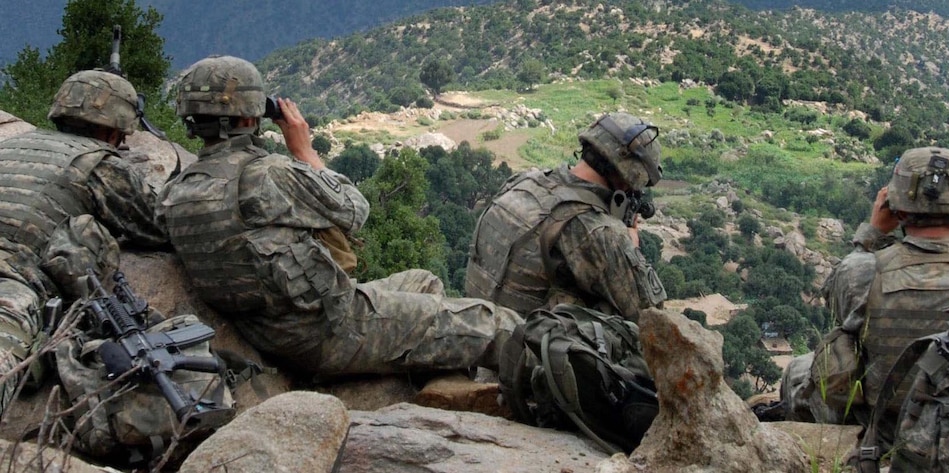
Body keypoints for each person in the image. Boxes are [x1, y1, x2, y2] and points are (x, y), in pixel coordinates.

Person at [158, 56, 520, 378]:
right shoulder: (268, 175)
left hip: (271, 332)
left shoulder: (176, 191)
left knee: (424, 282)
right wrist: (303, 149)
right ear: (253, 115)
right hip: (329, 332)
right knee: (495, 325)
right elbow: (355, 210)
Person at [782, 147, 949, 430]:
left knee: (798, 371)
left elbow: (840, 308)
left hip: (887, 426)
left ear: (894, 206)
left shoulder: (861, 272)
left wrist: (871, 235)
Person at [0, 70, 170, 415]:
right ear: (114, 131)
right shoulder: (97, 162)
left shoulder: (12, 146)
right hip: (13, 284)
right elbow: (157, 226)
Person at [465, 112, 666, 321]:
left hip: (477, 331)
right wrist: (630, 249)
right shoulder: (597, 230)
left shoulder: (523, 181)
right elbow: (652, 317)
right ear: (628, 177)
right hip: (526, 349)